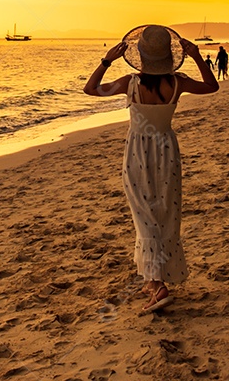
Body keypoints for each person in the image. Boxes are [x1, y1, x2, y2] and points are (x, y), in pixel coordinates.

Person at [83, 25, 218, 313]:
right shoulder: (178, 83)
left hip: (138, 152)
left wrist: (106, 61)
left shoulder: (129, 83)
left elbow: (90, 89)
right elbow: (211, 86)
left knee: (144, 215)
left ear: (140, 56)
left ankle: (156, 286)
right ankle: (156, 279)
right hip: (167, 150)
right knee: (166, 213)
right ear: (169, 57)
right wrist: (196, 57)